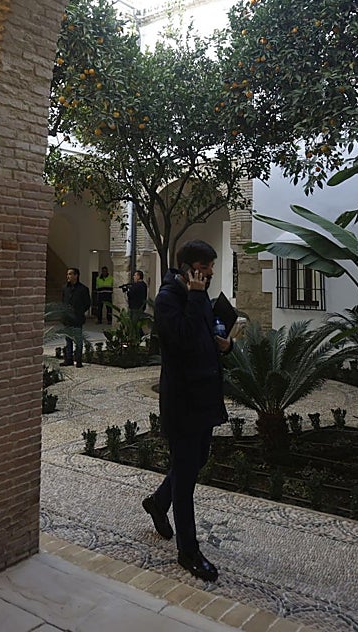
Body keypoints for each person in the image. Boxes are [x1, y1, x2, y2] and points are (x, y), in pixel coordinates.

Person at [142, 240, 234, 582]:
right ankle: (188, 551)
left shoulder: (199, 296)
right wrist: (196, 298)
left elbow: (203, 335)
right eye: (206, 266)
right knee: (186, 476)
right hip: (183, 400)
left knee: (196, 461)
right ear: (190, 268)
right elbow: (179, 340)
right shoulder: (168, 299)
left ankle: (156, 502)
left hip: (205, 394)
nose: (211, 272)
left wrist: (226, 345)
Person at [60, 267, 91, 367]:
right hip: (67, 318)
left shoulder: (83, 289)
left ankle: (78, 360)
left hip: (77, 318)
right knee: (68, 340)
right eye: (67, 274)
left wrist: (79, 311)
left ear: (76, 275)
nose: (68, 276)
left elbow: (87, 303)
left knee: (78, 340)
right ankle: (68, 359)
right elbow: (63, 301)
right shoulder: (65, 288)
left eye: (70, 274)